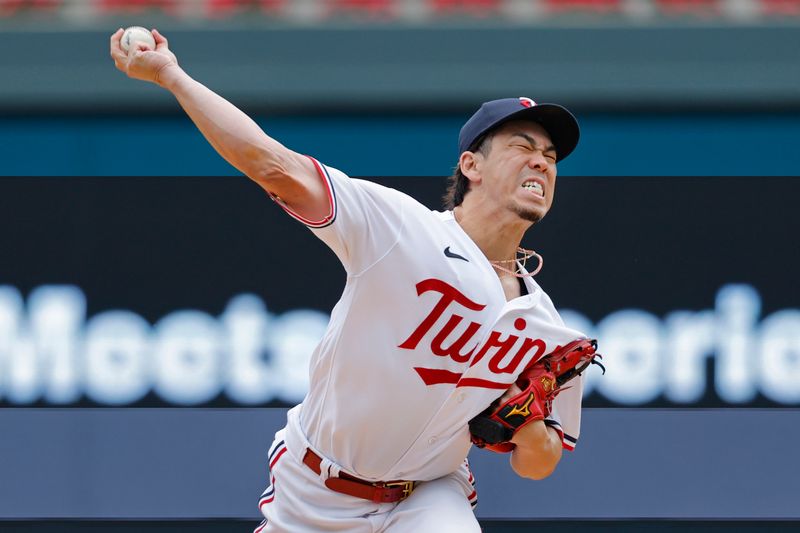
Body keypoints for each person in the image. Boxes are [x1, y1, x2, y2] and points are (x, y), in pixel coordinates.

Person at [110, 28, 589, 533]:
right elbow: (271, 164)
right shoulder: (400, 227)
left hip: (428, 496)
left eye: (551, 156)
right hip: (313, 488)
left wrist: (529, 425)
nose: (542, 161)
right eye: (522, 146)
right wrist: (170, 75)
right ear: (471, 165)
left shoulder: (545, 325)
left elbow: (539, 464)